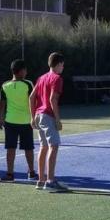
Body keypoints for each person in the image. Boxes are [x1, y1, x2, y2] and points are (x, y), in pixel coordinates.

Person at [32, 52, 68, 192]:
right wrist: (58, 120)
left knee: (43, 147)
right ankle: (51, 181)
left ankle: (41, 180)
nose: (63, 68)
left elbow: (31, 97)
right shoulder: (57, 78)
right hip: (48, 115)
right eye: (62, 65)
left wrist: (32, 116)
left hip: (39, 115)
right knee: (54, 146)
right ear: (58, 64)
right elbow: (53, 99)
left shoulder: (41, 78)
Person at [0, 59, 38, 182]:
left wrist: (0, 119)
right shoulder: (28, 84)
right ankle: (31, 173)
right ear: (21, 71)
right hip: (26, 122)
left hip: (10, 122)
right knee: (28, 148)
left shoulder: (5, 85)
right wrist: (34, 117)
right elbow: (34, 101)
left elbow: (1, 104)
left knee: (10, 148)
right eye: (25, 69)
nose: (26, 72)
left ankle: (10, 174)